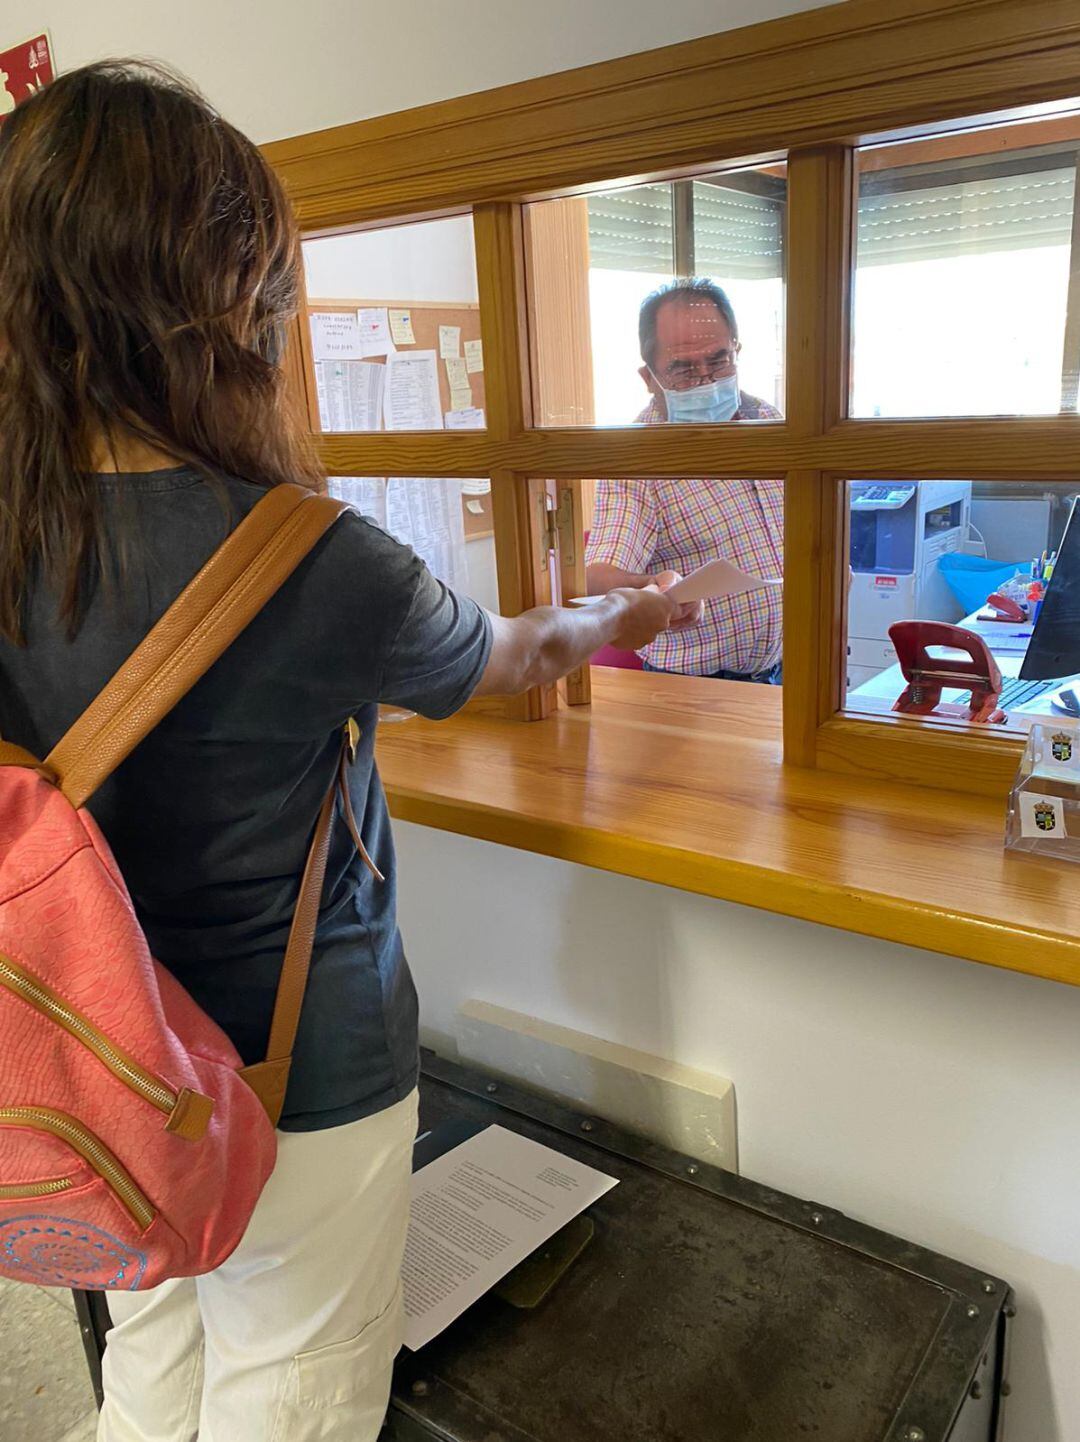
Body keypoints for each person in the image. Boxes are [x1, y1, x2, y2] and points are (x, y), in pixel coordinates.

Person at [0, 62, 680, 1442]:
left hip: (81, 1064)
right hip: (295, 1072)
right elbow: (506, 659)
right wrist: (624, 610)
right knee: (290, 1397)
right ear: (227, 299)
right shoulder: (311, 562)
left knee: (152, 1348)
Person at [585, 278, 784, 683]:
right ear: (649, 377)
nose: (707, 381)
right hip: (698, 685)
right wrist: (653, 588)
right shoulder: (639, 458)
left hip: (786, 666)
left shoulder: (767, 420)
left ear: (737, 351)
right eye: (683, 370)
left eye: (718, 360)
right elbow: (598, 574)